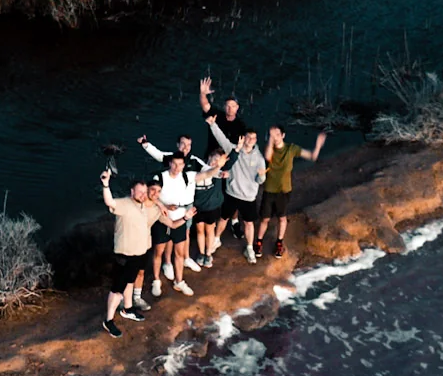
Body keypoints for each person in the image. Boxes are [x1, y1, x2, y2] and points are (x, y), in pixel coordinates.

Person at [137, 133, 225, 273]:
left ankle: (186, 258)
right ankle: (168, 263)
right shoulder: (171, 158)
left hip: (187, 205)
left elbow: (206, 171)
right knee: (169, 235)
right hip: (169, 204)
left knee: (185, 233)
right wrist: (145, 144)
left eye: (189, 145)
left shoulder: (194, 161)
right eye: (183, 144)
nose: (186, 147)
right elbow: (158, 154)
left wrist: (220, 173)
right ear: (177, 145)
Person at [100, 172, 158, 336]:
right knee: (117, 289)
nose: (142, 195)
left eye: (144, 192)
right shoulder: (124, 204)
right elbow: (109, 201)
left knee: (130, 282)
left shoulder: (142, 205)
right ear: (132, 192)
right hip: (124, 256)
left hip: (137, 255)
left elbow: (153, 200)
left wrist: (160, 205)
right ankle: (109, 320)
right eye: (139, 192)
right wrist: (106, 184)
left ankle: (128, 309)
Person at [256, 124, 327, 259]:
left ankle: (279, 242)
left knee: (282, 217)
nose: (275, 138)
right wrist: (270, 140)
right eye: (272, 135)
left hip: (284, 190)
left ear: (283, 135)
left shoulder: (291, 149)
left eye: (277, 134)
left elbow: (312, 156)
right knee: (265, 218)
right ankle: (259, 241)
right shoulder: (269, 149)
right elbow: (267, 157)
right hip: (269, 189)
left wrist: (317, 147)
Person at [206, 117, 267, 263]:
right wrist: (213, 124)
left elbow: (260, 180)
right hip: (232, 192)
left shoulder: (259, 158)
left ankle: (249, 248)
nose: (252, 139)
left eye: (254, 137)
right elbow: (221, 138)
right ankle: (216, 239)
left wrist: (261, 177)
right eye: (249, 137)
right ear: (243, 138)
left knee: (248, 223)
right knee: (223, 218)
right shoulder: (233, 149)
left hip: (249, 197)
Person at [147, 151, 201, 297]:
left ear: (184, 165)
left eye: (180, 164)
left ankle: (179, 281)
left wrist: (219, 167)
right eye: (174, 164)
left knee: (179, 253)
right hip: (162, 222)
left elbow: (205, 175)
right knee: (158, 252)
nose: (177, 167)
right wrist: (163, 205)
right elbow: (150, 194)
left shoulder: (185, 177)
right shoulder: (160, 177)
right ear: (170, 163)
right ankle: (156, 281)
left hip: (180, 219)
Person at [200, 76, 249, 159]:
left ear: (237, 107)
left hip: (228, 157)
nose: (230, 109)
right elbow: (205, 106)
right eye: (228, 106)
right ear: (224, 107)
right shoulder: (217, 115)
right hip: (211, 155)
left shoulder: (241, 126)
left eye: (233, 106)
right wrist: (203, 94)